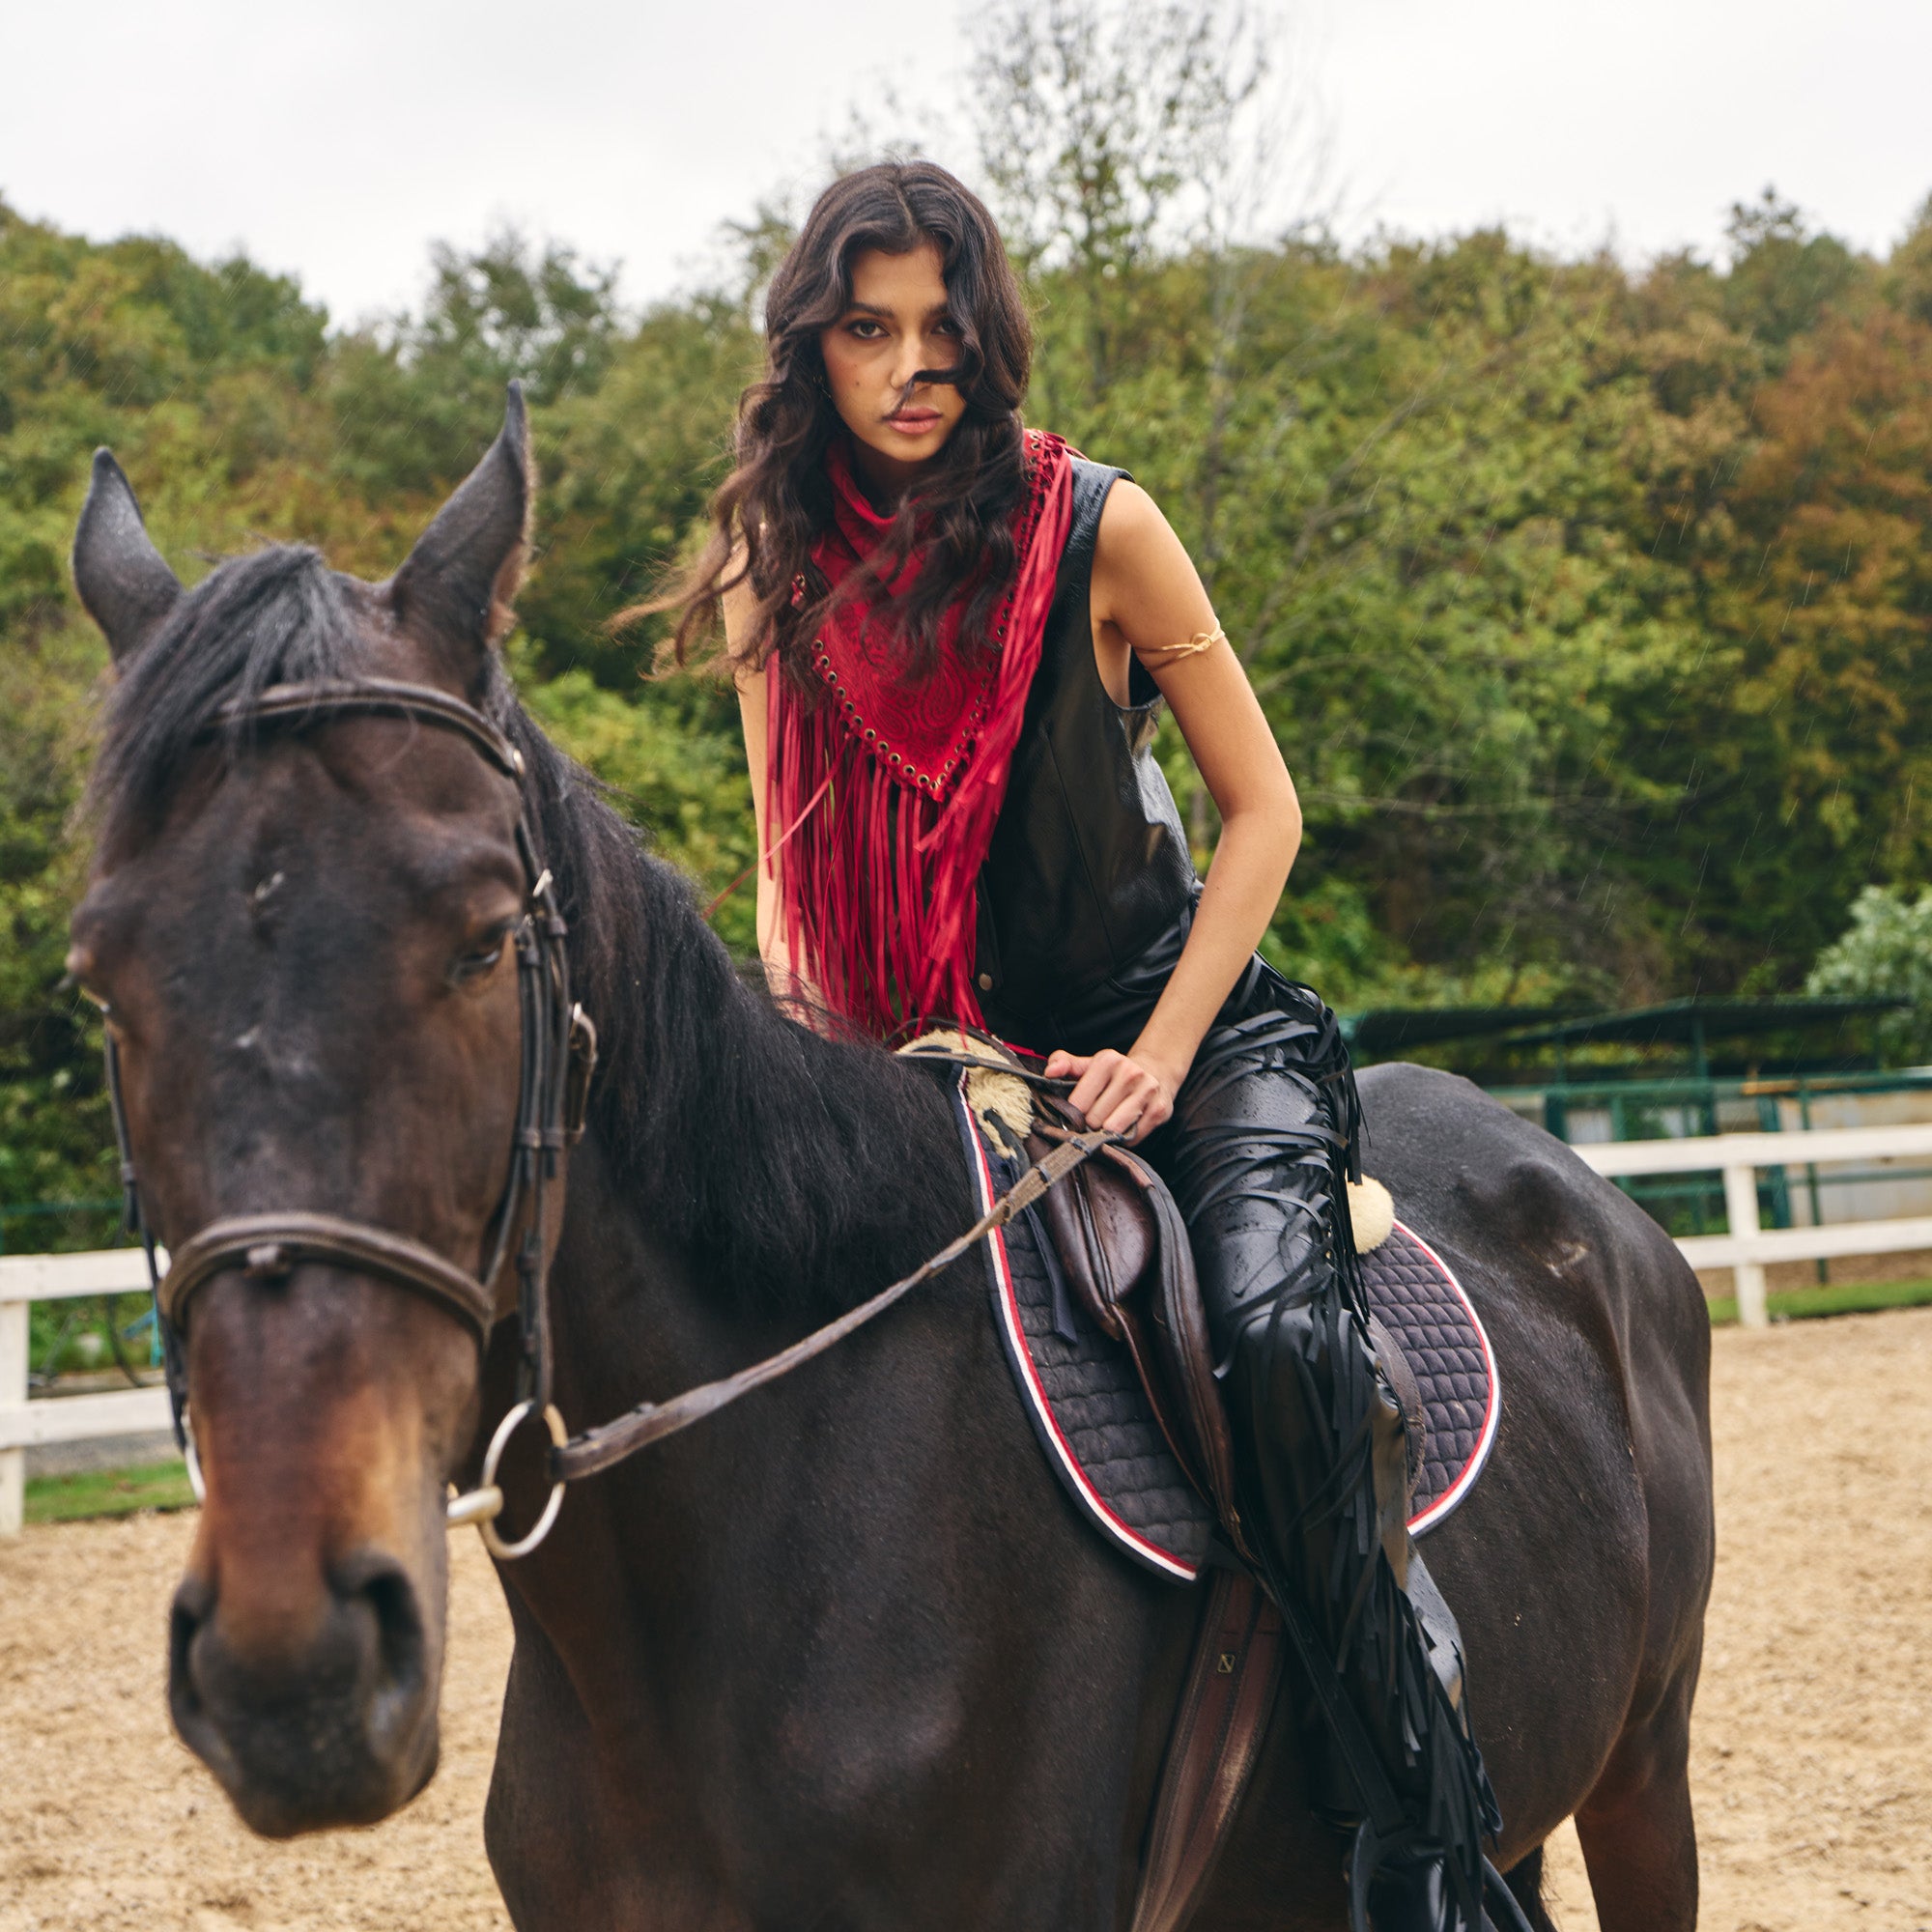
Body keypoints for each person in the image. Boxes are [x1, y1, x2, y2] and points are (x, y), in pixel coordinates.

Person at [661, 158, 1503, 1932]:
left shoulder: (1101, 528)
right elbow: (782, 872)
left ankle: (1418, 1825)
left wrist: (1161, 1062)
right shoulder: (772, 565)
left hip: (1181, 1037)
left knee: (1273, 1332)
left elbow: (1262, 816)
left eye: (943, 335)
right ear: (811, 347)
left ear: (990, 343)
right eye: (868, 331)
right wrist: (847, 1057)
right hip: (933, 1055)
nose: (909, 369)